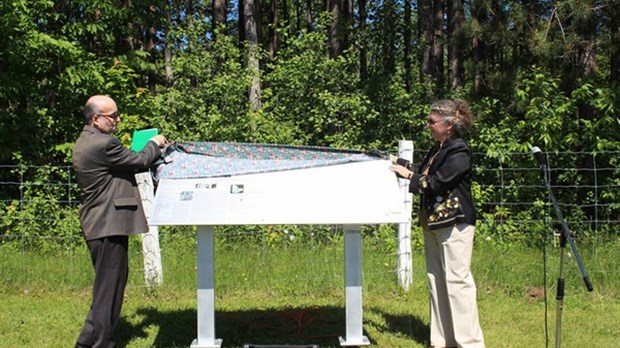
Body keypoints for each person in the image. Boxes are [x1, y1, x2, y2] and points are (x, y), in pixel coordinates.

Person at [72, 95, 167, 348]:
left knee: (108, 287)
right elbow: (138, 161)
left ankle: (86, 341)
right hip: (107, 224)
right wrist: (153, 144)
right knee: (109, 290)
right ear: (95, 119)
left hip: (100, 223)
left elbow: (125, 164)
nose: (118, 119)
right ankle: (103, 343)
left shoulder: (86, 140)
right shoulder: (103, 144)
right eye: (112, 116)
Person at [390, 99, 485, 348]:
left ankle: (470, 344)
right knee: (437, 281)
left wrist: (409, 175)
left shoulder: (459, 151)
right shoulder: (438, 148)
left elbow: (436, 182)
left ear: (449, 125)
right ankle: (442, 341)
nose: (427, 126)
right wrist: (399, 164)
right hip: (433, 224)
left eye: (432, 122)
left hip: (455, 224)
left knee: (457, 282)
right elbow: (423, 170)